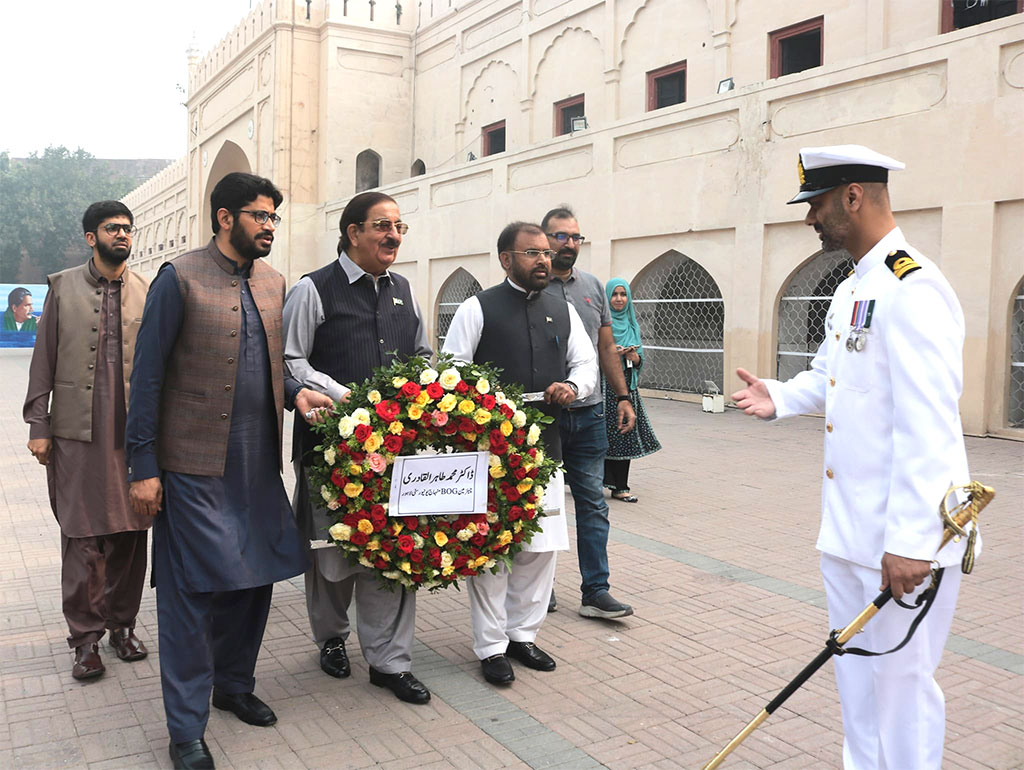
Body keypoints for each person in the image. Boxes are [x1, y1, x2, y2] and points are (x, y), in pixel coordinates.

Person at [731, 145, 972, 770]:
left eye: (815, 204)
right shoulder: (854, 288)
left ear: (853, 197)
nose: (810, 218)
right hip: (849, 533)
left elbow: (929, 425)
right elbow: (832, 378)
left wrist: (914, 540)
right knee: (857, 686)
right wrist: (779, 395)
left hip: (900, 543)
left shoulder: (911, 287)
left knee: (902, 691)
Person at [125, 172, 330, 770]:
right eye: (259, 216)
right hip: (191, 469)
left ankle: (233, 686)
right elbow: (147, 381)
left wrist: (298, 395)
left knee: (255, 581)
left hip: (256, 465)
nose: (269, 227)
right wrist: (144, 467)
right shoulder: (179, 278)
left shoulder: (273, 282)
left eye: (273, 218)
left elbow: (271, 366)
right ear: (224, 217)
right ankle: (185, 729)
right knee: (192, 594)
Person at [282, 191, 434, 705]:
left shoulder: (405, 289)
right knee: (330, 555)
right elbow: (291, 360)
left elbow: (421, 354)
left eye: (399, 227)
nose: (393, 235)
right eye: (382, 226)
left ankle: (390, 662)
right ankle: (331, 639)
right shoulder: (313, 288)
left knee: (395, 552)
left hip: (397, 453)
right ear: (352, 233)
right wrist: (346, 396)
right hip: (330, 449)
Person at [443, 221, 598, 686]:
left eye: (546, 253)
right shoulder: (477, 307)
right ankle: (490, 647)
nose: (544, 260)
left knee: (540, 548)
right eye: (532, 253)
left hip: (545, 449)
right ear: (506, 259)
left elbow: (585, 363)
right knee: (492, 550)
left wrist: (572, 386)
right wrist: (486, 406)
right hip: (489, 453)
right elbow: (451, 370)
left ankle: (522, 636)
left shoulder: (563, 309)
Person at [23, 201, 151, 681]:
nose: (122, 234)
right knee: (82, 538)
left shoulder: (147, 290)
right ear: (89, 237)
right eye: (111, 228)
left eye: (126, 228)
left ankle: (122, 627)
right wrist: (39, 424)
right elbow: (43, 358)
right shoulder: (62, 288)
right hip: (76, 435)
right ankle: (85, 640)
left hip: (133, 437)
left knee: (132, 536)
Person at [541, 207, 636, 620]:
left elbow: (605, 348)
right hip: (542, 417)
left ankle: (596, 591)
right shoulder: (531, 286)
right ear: (543, 241)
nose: (569, 244)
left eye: (576, 237)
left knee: (593, 504)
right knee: (540, 504)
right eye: (561, 236)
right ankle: (538, 588)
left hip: (590, 414)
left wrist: (622, 396)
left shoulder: (593, 287)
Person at [602, 278, 661, 502]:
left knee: (624, 432)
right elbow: (592, 354)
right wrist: (610, 354)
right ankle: (597, 480)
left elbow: (640, 361)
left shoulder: (632, 324)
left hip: (627, 390)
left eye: (623, 294)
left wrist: (634, 358)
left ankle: (620, 486)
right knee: (600, 434)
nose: (619, 299)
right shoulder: (602, 326)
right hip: (604, 388)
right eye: (615, 295)